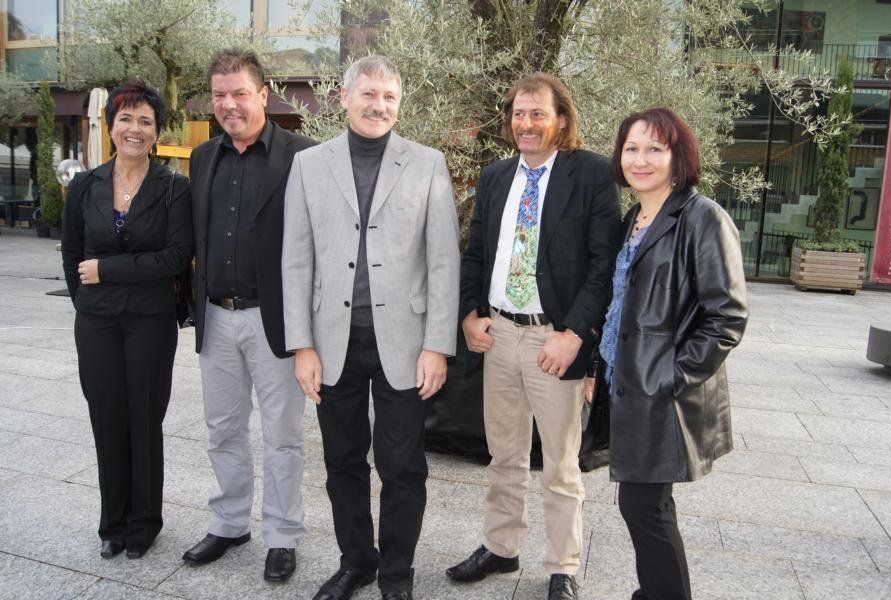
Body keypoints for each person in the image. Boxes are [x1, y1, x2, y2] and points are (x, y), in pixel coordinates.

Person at [282, 55, 460, 600]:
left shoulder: (428, 164)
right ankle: (356, 562)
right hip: (332, 341)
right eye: (368, 94)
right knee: (341, 461)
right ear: (344, 97)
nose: (379, 106)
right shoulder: (309, 165)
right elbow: (296, 260)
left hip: (405, 344)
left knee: (403, 466)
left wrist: (437, 345)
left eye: (389, 97)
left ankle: (396, 573)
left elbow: (444, 261)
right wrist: (301, 345)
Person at [449, 73, 621, 600]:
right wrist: (470, 314)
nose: (526, 123)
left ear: (561, 120)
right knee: (503, 454)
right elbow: (476, 252)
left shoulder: (591, 174)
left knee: (561, 464)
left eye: (537, 114)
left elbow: (604, 265)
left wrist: (575, 334)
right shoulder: (496, 176)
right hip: (500, 334)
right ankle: (501, 547)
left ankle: (563, 566)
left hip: (555, 340)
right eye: (519, 114)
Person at [591, 107, 748, 600]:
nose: (640, 160)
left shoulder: (702, 218)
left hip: (662, 393)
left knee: (644, 507)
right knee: (647, 506)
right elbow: (620, 302)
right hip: (628, 385)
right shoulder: (634, 218)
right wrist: (601, 368)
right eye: (631, 148)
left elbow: (727, 316)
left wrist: (672, 376)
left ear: (678, 156)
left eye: (654, 149)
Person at [181, 49, 316, 583]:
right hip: (216, 317)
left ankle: (282, 534)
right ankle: (229, 522)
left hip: (274, 321)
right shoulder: (202, 157)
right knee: (222, 429)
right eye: (220, 95)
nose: (229, 104)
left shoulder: (303, 157)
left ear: (263, 94)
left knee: (282, 435)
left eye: (240, 93)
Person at [61, 81, 193, 560]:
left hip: (150, 321)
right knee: (107, 419)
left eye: (145, 121)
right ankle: (112, 524)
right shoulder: (85, 185)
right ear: (111, 125)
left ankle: (144, 524)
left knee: (144, 419)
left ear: (156, 132)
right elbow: (72, 253)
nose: (134, 129)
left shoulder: (174, 188)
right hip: (97, 322)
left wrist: (106, 271)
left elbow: (175, 256)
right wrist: (85, 301)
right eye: (126, 119)